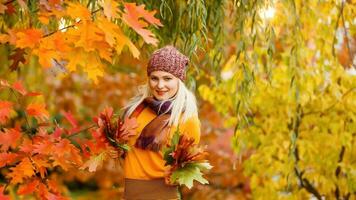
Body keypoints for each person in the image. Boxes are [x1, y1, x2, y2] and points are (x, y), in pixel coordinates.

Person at [122, 45, 201, 200]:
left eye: (167, 78)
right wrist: (115, 150)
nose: (160, 85)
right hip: (130, 195)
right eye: (154, 78)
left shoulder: (187, 119)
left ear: (179, 80)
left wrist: (178, 173)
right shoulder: (135, 111)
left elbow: (189, 167)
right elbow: (127, 151)